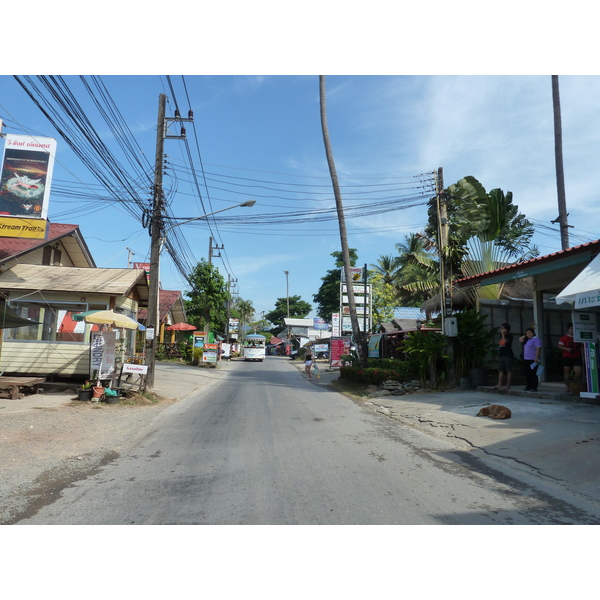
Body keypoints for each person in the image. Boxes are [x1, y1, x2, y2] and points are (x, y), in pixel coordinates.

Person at [558, 323, 583, 392]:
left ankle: (574, 384)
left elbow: (582, 345)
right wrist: (566, 349)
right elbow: (559, 346)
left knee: (578, 371)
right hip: (567, 357)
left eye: (573, 329)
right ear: (568, 329)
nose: (572, 330)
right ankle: (567, 386)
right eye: (571, 329)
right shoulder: (564, 338)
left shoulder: (578, 337)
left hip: (577, 356)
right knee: (567, 372)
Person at [519, 327, 542, 391]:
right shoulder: (527, 340)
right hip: (526, 358)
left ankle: (534, 387)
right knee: (527, 373)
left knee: (533, 373)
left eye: (530, 333)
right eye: (527, 333)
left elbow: (538, 348)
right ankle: (528, 386)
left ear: (533, 333)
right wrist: (525, 335)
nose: (528, 334)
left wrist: (536, 357)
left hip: (533, 359)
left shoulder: (536, 339)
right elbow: (520, 339)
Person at [494, 323, 514, 389]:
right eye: (501, 328)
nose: (501, 329)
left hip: (508, 354)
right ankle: (499, 384)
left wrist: (503, 334)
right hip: (501, 354)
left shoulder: (509, 336)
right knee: (500, 370)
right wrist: (502, 334)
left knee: (508, 370)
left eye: (502, 328)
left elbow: (504, 341)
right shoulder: (501, 336)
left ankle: (508, 385)